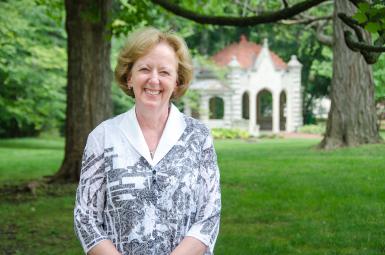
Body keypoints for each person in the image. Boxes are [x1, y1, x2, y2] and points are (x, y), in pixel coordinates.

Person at [74, 27, 221, 255]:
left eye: (164, 72)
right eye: (144, 69)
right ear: (129, 77)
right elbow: (86, 219)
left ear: (177, 82)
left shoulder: (199, 137)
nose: (154, 80)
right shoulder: (102, 137)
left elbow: (209, 215)